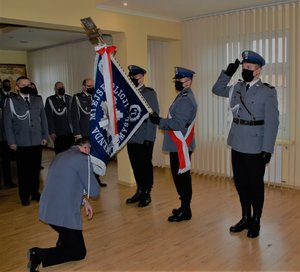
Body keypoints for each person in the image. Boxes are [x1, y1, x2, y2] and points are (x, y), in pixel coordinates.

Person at [212, 50, 279, 238]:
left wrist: (267, 149)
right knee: (240, 183)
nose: (245, 70)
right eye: (243, 67)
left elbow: (273, 122)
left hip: (256, 144)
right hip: (237, 141)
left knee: (255, 185)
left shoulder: (268, 92)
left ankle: (256, 220)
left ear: (258, 70)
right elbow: (216, 89)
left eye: (249, 67)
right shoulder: (237, 87)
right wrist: (227, 72)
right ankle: (245, 217)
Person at [27, 137, 100, 272]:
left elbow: (66, 184)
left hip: (48, 209)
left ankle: (61, 245)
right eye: (90, 149)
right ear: (86, 148)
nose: (90, 153)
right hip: (63, 214)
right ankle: (38, 254)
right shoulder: (83, 158)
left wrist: (84, 201)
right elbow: (95, 191)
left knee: (68, 239)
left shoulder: (60, 155)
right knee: (79, 252)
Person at [150, 67, 197, 222]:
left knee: (182, 178)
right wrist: (162, 120)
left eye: (180, 80)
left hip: (181, 144)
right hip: (177, 144)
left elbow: (177, 123)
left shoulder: (186, 99)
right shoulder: (182, 96)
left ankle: (186, 210)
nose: (177, 82)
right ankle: (184, 207)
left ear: (188, 81)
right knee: (179, 177)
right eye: (176, 80)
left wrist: (160, 121)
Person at [4, 76, 49, 206]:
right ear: (17, 87)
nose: (26, 86)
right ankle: (24, 196)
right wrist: (11, 141)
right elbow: (8, 124)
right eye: (23, 84)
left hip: (36, 141)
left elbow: (43, 119)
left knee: (35, 170)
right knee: (23, 171)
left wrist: (45, 136)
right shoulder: (11, 101)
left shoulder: (38, 99)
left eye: (28, 84)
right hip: (20, 142)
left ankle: (35, 193)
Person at [125, 65, 160, 207]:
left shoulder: (149, 93)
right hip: (131, 138)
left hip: (144, 137)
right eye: (131, 77)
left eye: (136, 77)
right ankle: (139, 190)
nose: (133, 79)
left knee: (145, 166)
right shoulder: (128, 93)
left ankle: (147, 193)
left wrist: (149, 138)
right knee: (135, 166)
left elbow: (153, 116)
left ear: (142, 78)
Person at [71, 78, 107, 187]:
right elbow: (74, 117)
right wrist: (77, 134)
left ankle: (96, 180)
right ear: (83, 87)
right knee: (84, 160)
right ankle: (85, 182)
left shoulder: (97, 97)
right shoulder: (77, 98)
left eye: (92, 86)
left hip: (96, 133)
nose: (91, 88)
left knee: (96, 157)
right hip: (84, 133)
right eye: (89, 86)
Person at [45, 81, 74, 154]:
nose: (61, 89)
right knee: (60, 154)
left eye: (63, 87)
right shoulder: (50, 100)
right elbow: (49, 117)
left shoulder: (69, 98)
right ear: (55, 89)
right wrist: (51, 132)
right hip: (58, 133)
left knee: (71, 153)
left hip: (70, 132)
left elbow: (74, 115)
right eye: (59, 88)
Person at [0, 79, 17, 189]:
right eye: (4, 84)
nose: (7, 86)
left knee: (6, 159)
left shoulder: (12, 95)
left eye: (8, 84)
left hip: (7, 134)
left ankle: (8, 181)